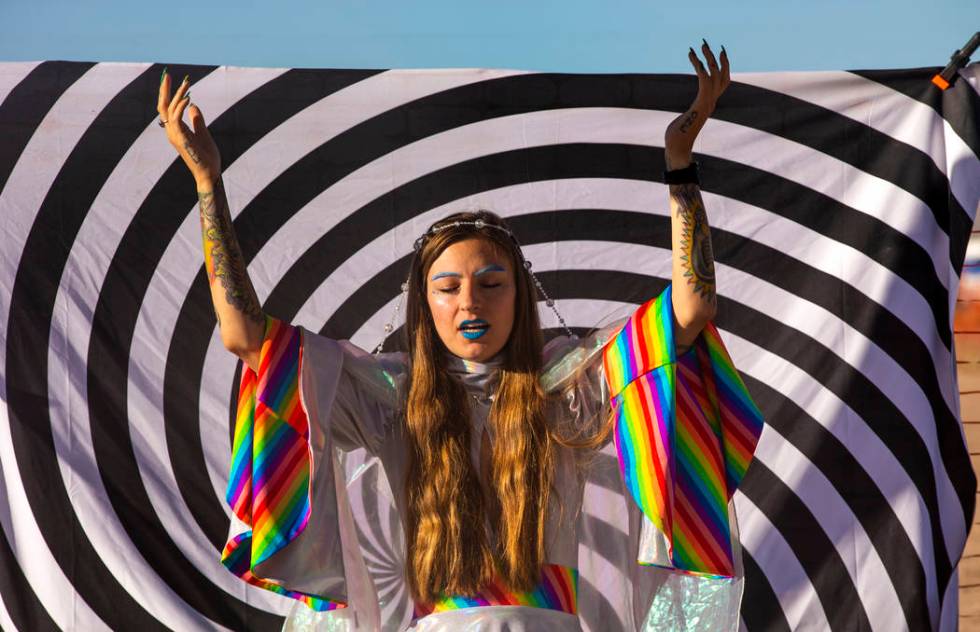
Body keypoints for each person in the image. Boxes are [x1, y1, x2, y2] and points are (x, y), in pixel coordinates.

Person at [158, 41, 763, 631]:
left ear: (520, 297)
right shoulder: (389, 397)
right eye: (448, 287)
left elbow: (691, 309)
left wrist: (680, 164)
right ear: (425, 306)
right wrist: (207, 183)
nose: (469, 301)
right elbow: (244, 336)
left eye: (490, 283)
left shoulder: (568, 387)